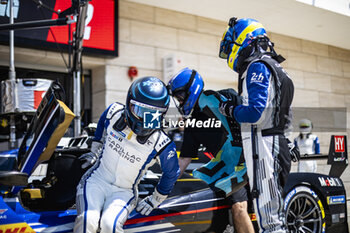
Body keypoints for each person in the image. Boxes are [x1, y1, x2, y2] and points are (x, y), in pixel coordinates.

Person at [74, 77, 180, 233]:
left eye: (154, 114)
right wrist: (94, 151)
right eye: (141, 110)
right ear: (129, 104)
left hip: (124, 191)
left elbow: (171, 173)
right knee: (87, 219)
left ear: (162, 113)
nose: (145, 119)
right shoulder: (113, 112)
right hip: (96, 180)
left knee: (110, 226)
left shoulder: (162, 142)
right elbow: (101, 125)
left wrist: (155, 199)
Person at [218, 17, 295, 233]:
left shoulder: (257, 66)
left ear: (244, 39)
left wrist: (230, 109)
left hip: (266, 148)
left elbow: (255, 113)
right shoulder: (275, 67)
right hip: (274, 144)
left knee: (270, 222)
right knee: (270, 217)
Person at [168, 67, 255, 233]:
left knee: (239, 208)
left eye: (180, 96)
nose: (179, 101)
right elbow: (184, 160)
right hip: (225, 167)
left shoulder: (225, 97)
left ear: (191, 90)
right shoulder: (192, 124)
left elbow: (254, 118)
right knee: (196, 183)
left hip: (246, 161)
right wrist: (163, 188)